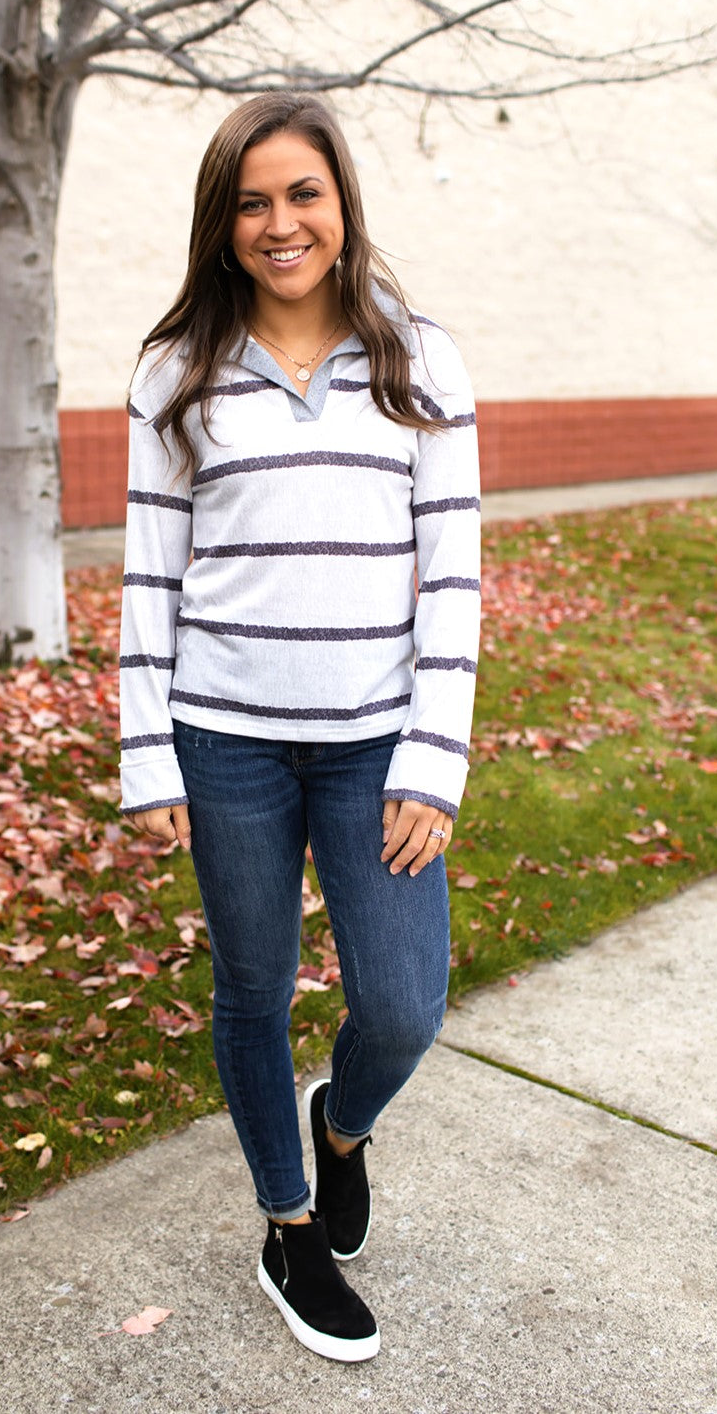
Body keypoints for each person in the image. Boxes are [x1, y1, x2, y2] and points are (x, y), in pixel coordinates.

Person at [119, 92, 480, 1364]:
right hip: (225, 744)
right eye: (252, 202)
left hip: (379, 743)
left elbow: (452, 578)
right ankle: (288, 1221)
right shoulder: (174, 371)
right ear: (223, 225)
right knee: (254, 989)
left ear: (341, 204)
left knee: (400, 1003)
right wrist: (145, 750)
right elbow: (150, 579)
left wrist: (434, 755)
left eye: (303, 194)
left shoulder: (420, 358)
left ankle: (341, 1125)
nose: (281, 223)